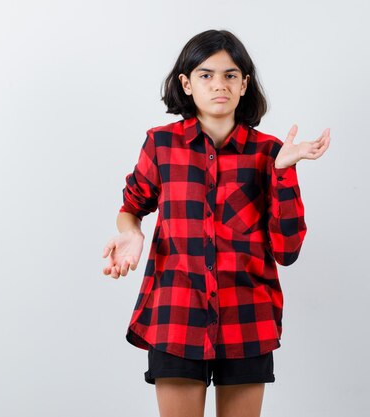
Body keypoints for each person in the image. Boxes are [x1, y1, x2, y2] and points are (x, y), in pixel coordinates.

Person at [102, 29, 331, 417]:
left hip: (247, 317)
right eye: (206, 75)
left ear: (244, 84)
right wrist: (132, 233)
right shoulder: (161, 145)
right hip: (176, 314)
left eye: (230, 75)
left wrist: (284, 173)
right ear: (186, 84)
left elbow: (287, 251)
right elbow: (132, 205)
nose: (219, 85)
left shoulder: (271, 153)